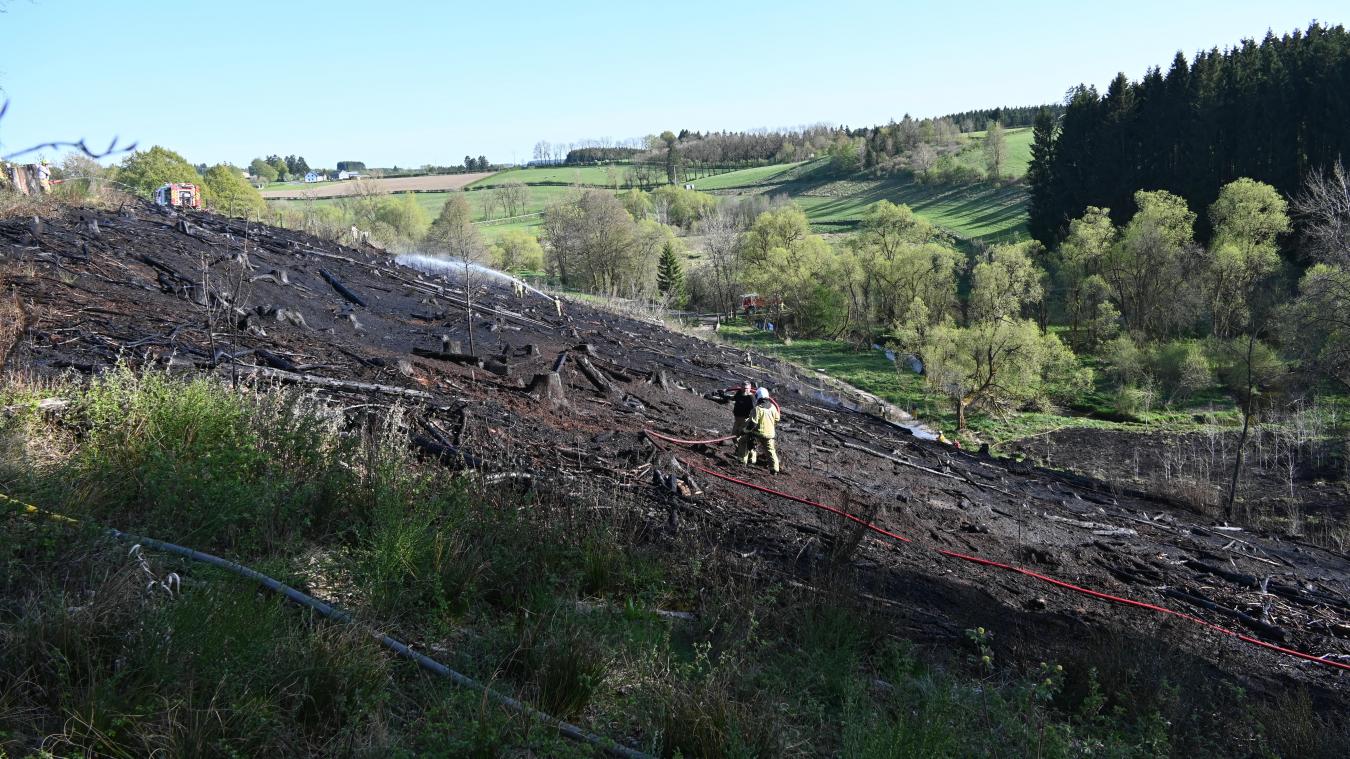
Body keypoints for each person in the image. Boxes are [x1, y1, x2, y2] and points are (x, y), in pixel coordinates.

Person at [737, 387, 781, 474]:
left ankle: (742, 461)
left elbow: (752, 424)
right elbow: (777, 419)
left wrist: (744, 431)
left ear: (758, 396)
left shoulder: (757, 409)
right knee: (770, 451)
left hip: (757, 433)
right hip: (769, 434)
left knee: (743, 441)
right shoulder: (773, 407)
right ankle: (774, 469)